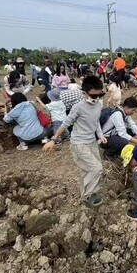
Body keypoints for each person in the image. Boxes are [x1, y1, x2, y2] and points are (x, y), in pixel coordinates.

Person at [43, 76, 107, 208]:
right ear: (84, 93)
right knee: (97, 168)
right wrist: (53, 140)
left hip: (91, 141)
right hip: (79, 143)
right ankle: (88, 195)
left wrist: (100, 135)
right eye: (93, 96)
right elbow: (65, 124)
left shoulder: (99, 104)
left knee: (87, 170)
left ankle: (87, 195)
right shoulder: (78, 107)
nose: (96, 98)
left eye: (99, 95)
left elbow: (96, 122)